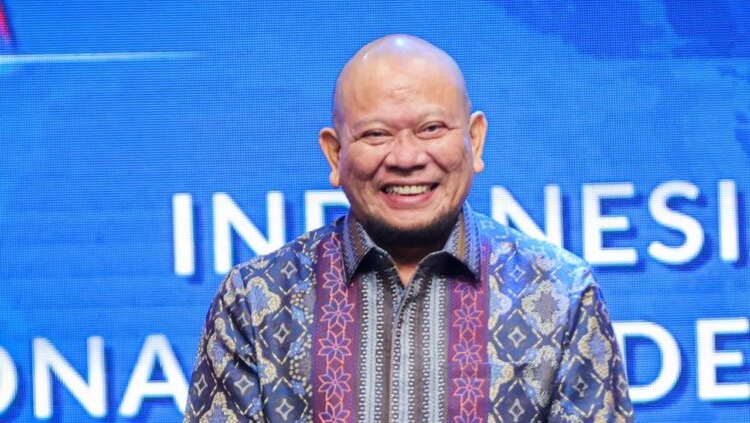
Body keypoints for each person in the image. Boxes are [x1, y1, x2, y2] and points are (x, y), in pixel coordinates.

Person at [183, 34, 634, 423]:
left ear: (475, 140)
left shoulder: (561, 293)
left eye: (431, 128)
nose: (406, 157)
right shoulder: (256, 299)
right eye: (376, 134)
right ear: (334, 154)